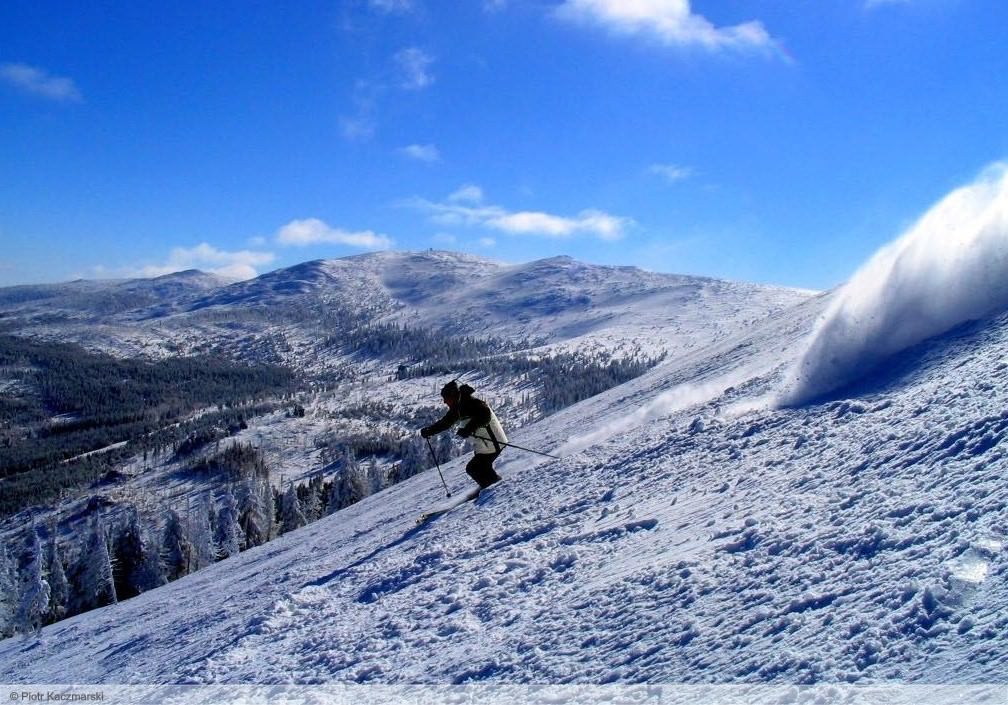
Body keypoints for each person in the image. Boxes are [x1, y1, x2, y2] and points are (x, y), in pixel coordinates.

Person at [420, 381, 506, 489]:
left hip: (493, 442)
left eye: (446, 398)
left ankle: (495, 488)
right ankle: (492, 487)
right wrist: (430, 430)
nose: (445, 402)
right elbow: (445, 422)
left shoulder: (471, 403)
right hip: (485, 445)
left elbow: (485, 415)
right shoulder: (458, 407)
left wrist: (468, 429)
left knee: (474, 468)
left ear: (453, 395)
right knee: (479, 468)